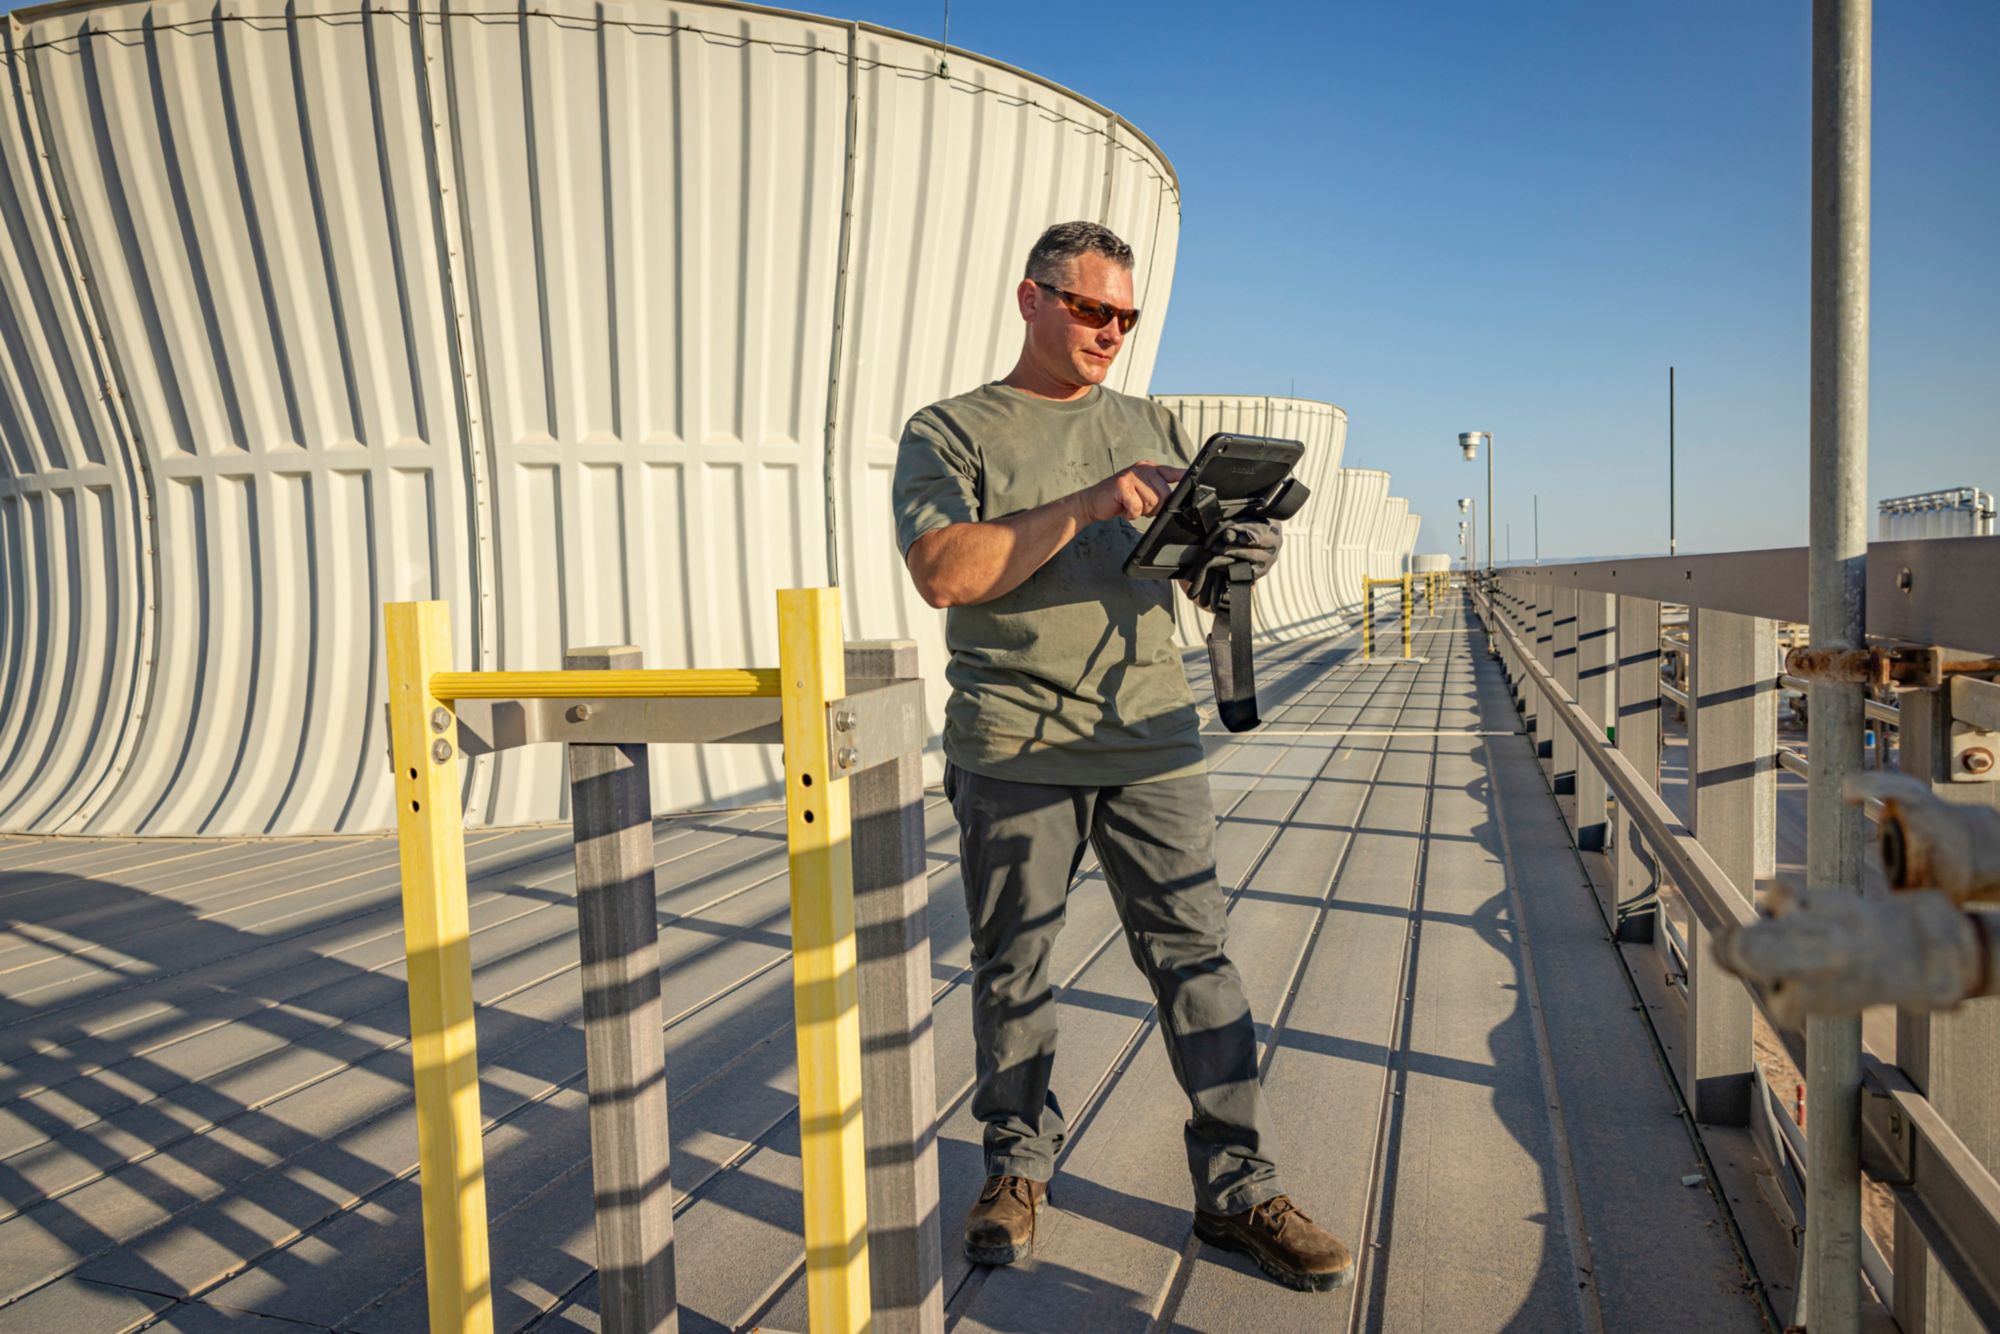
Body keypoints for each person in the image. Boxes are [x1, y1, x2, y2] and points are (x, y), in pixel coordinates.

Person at [890, 220, 1354, 1293]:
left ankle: (1238, 1189)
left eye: (1125, 316)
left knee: (1199, 963)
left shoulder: (1150, 421)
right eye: (1090, 308)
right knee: (1014, 970)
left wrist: (1229, 554)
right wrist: (1092, 498)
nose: (1109, 331)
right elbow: (946, 573)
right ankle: (1014, 1172)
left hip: (1148, 735)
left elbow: (1179, 577)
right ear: (1031, 299)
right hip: (1013, 741)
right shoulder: (954, 428)